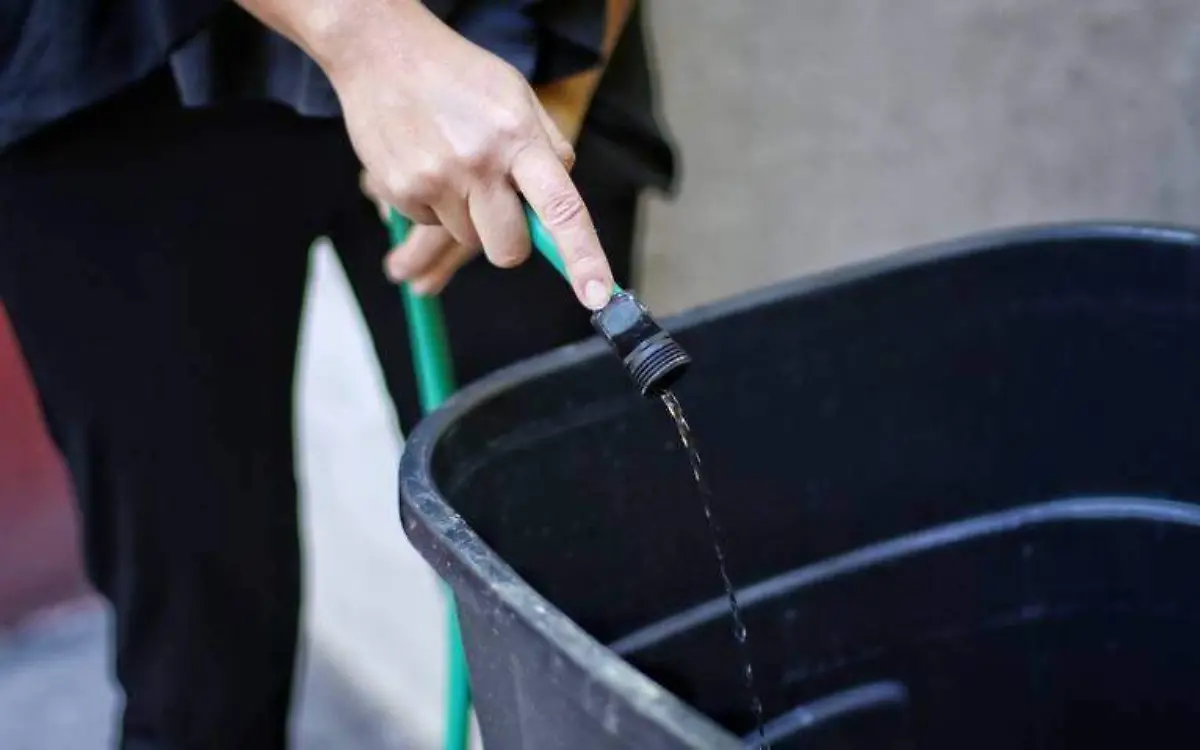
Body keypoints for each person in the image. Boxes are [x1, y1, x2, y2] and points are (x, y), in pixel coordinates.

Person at [0, 0, 675, 747]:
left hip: (494, 36)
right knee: (198, 662)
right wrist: (367, 35)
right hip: (101, 78)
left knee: (576, 622)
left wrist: (563, 89)